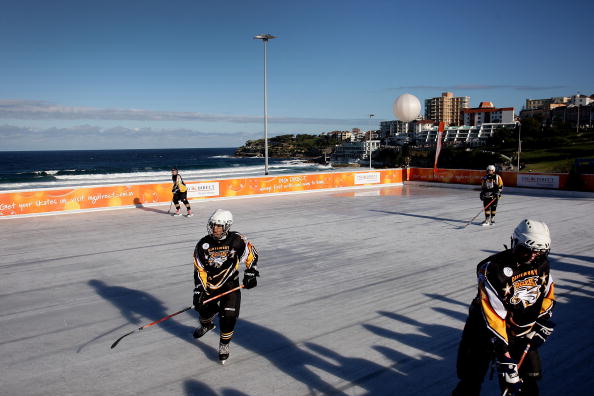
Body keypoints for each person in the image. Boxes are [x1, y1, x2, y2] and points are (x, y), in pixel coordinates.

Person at [452, 219, 556, 396]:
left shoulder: (542, 265)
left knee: (528, 384)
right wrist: (504, 355)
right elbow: (493, 314)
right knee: (470, 381)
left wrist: (542, 322)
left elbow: (547, 294)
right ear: (514, 242)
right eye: (526, 251)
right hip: (483, 332)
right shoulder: (493, 269)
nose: (532, 257)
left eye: (539, 253)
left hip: (520, 333)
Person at [192, 209, 259, 363]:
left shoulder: (237, 240)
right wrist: (199, 289)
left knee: (228, 317)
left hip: (230, 285)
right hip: (210, 285)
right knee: (202, 309)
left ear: (227, 226)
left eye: (219, 226)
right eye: (213, 225)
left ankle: (224, 344)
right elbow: (200, 269)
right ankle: (206, 324)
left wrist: (251, 272)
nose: (215, 228)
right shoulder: (203, 244)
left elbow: (251, 255)